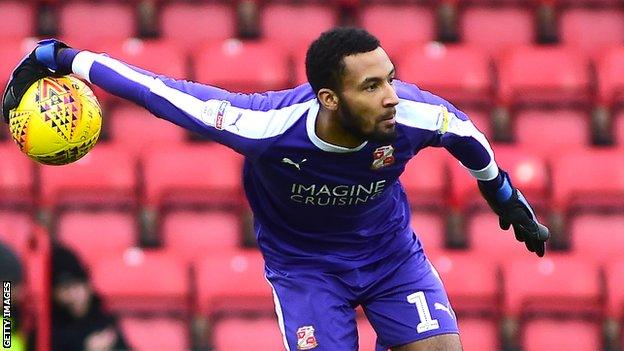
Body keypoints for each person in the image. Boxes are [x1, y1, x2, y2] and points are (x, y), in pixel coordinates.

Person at [2, 28, 549, 350]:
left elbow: (470, 139)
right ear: (329, 99)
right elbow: (156, 92)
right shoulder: (262, 127)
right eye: (372, 86)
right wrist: (57, 57)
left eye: (390, 77)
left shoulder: (414, 115)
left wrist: (506, 201)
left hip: (390, 258)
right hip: (306, 272)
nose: (392, 96)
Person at [50, 244, 129, 351]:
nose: (73, 295)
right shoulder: (49, 328)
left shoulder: (103, 317)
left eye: (77, 286)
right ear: (54, 294)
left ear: (88, 286)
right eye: (65, 289)